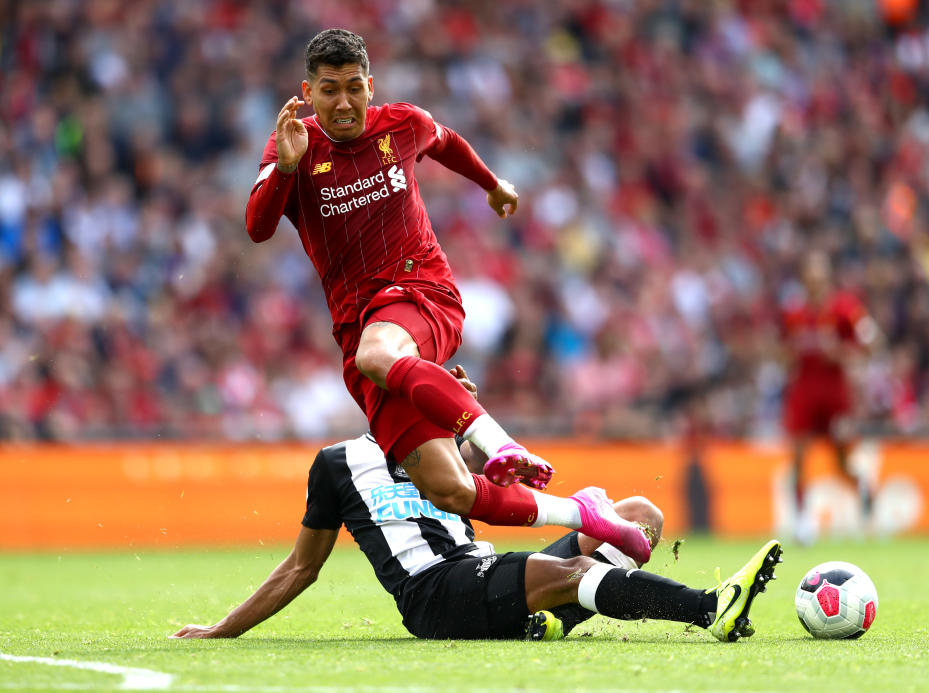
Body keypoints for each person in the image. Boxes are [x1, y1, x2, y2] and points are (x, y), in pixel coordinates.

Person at [244, 28, 649, 563]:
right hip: (357, 325)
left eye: (353, 87)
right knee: (448, 489)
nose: (343, 102)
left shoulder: (401, 124)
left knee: (378, 353)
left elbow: (445, 141)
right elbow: (256, 227)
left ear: (370, 85)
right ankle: (586, 513)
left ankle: (500, 444)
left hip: (421, 290)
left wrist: (492, 184)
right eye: (329, 89)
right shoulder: (291, 145)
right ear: (308, 91)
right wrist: (289, 170)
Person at [171, 369, 782, 642]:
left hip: (479, 568)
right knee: (577, 571)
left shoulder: (448, 445)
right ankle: (711, 611)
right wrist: (226, 628)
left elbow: (491, 473)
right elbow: (302, 566)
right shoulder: (337, 464)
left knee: (641, 513)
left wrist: (463, 410)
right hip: (434, 595)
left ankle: (542, 622)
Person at [781, 251, 879, 541]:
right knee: (799, 456)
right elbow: (781, 350)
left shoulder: (845, 308)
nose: (815, 281)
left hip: (835, 393)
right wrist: (789, 352)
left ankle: (863, 488)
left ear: (826, 278)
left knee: (839, 460)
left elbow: (870, 343)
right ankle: (802, 523)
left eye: (819, 275)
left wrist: (839, 352)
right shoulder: (794, 312)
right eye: (810, 276)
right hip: (804, 390)